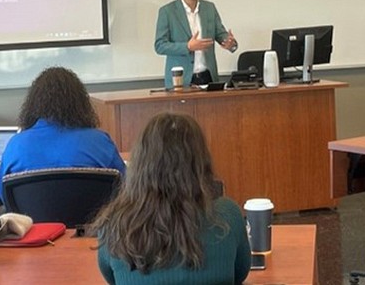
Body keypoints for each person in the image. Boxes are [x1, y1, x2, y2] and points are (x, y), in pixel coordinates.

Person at [92, 113, 250, 284]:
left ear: (139, 163)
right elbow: (239, 274)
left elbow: (112, 279)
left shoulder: (112, 222)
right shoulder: (228, 215)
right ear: (201, 162)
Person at [0, 66, 126, 203]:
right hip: (94, 223)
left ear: (33, 105)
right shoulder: (100, 142)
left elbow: (4, 196)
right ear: (80, 103)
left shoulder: (16, 145)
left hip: (33, 224)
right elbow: (125, 188)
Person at [154, 0, 238, 88]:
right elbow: (160, 45)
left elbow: (221, 35)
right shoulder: (167, 12)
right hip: (181, 80)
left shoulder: (209, 8)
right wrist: (188, 46)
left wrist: (230, 43)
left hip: (208, 78)